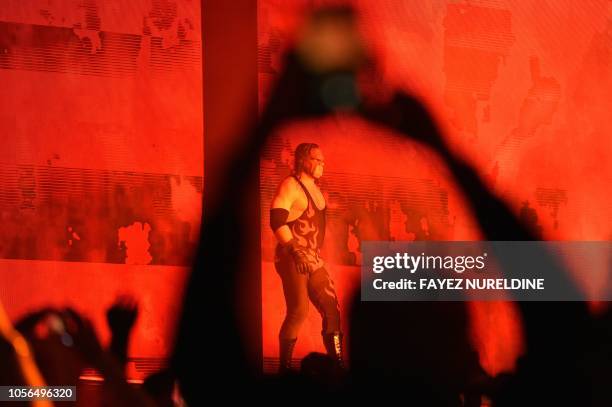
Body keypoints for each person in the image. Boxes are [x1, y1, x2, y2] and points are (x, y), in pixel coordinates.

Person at [269, 143, 343, 373]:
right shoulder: (291, 186)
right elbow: (277, 221)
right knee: (299, 310)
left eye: (323, 160)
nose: (322, 164)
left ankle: (337, 366)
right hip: (292, 256)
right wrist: (294, 249)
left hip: (313, 258)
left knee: (332, 310)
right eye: (316, 160)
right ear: (302, 160)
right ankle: (285, 368)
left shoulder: (317, 190)